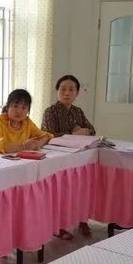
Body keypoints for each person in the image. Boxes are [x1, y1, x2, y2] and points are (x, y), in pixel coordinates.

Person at [41, 75, 95, 239]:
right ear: (57, 91)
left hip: (77, 157)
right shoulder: (51, 111)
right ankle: (58, 226)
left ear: (77, 93)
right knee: (60, 193)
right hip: (56, 157)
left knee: (79, 190)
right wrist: (74, 133)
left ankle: (81, 220)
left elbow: (92, 130)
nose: (67, 93)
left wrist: (83, 132)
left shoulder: (78, 111)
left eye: (71, 89)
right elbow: (49, 135)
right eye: (63, 89)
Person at [0, 89, 52, 154]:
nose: (19, 111)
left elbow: (46, 136)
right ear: (7, 107)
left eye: (24, 108)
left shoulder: (26, 122)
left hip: (16, 160)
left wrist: (37, 144)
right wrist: (23, 146)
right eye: (15, 106)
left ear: (28, 111)